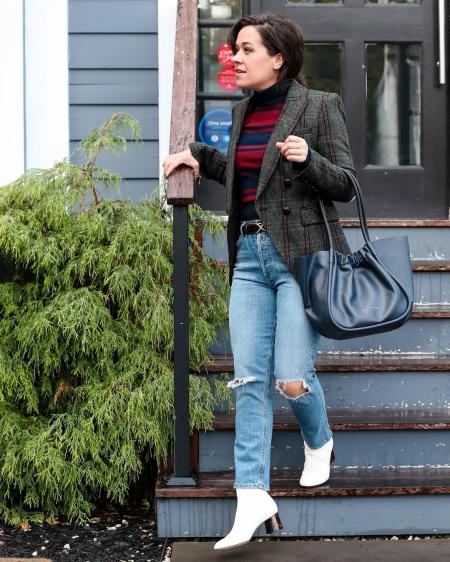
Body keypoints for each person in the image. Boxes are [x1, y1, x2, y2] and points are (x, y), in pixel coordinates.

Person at [163, 12, 356, 552]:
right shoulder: (242, 110)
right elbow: (248, 176)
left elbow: (344, 183)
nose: (235, 58)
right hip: (249, 256)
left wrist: (308, 158)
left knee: (290, 378)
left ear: (279, 57)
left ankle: (320, 439)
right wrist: (198, 157)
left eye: (245, 49)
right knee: (249, 381)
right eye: (232, 50)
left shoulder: (319, 107)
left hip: (300, 259)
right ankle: (252, 497)